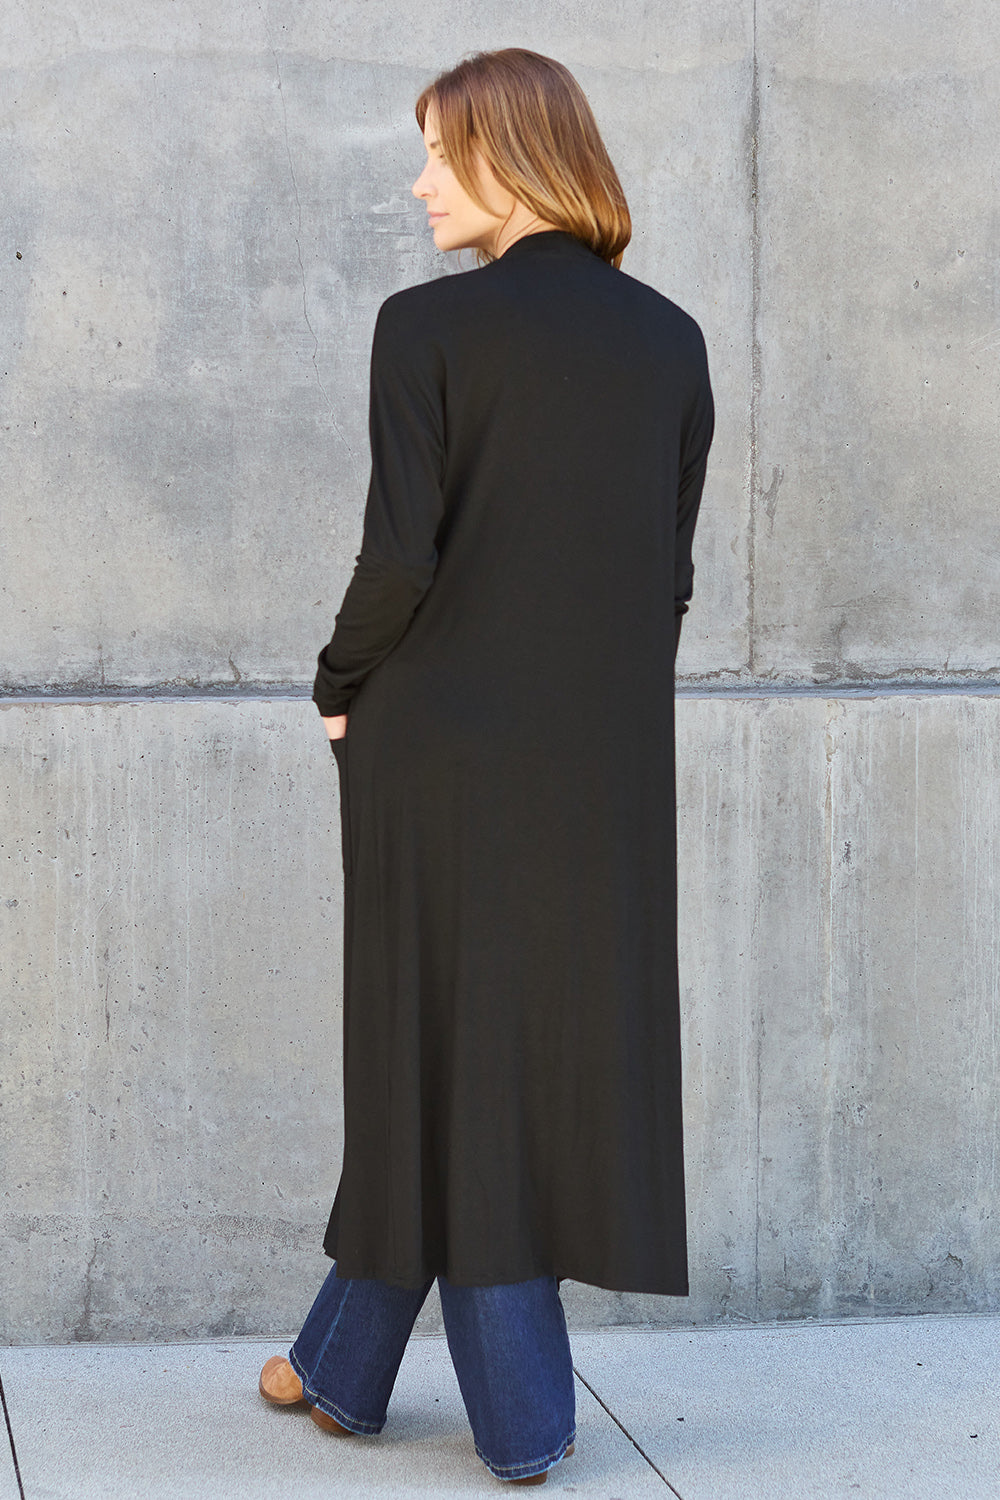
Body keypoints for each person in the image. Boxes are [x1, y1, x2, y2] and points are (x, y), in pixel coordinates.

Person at [258, 46, 714, 1487]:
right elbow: (666, 574)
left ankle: (523, 1416)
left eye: (439, 156)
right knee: (492, 1043)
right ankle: (339, 1366)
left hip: (437, 748)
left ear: (509, 156)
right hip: (601, 764)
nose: (418, 184)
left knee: (442, 1047)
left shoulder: (427, 329)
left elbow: (402, 557)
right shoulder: (672, 341)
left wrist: (336, 687)